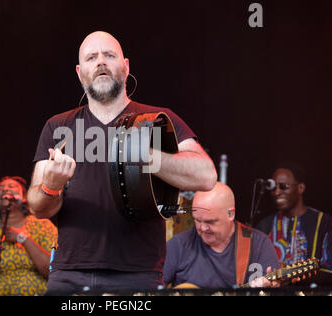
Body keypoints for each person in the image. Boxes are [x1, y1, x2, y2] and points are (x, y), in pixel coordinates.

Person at [27, 31, 217, 293]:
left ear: (126, 66)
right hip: (69, 274)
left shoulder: (157, 120)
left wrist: (147, 156)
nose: (101, 62)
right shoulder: (58, 126)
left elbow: (206, 176)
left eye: (109, 55)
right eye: (92, 57)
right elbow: (37, 208)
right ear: (80, 72)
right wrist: (52, 185)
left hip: (137, 276)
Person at [164, 182, 280, 288]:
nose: (203, 228)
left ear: (230, 214)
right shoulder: (179, 245)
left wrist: (270, 289)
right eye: (198, 220)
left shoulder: (259, 245)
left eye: (210, 222)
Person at [0, 176, 57, 296]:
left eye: (11, 187)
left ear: (24, 197)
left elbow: (53, 271)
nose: (5, 190)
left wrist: (23, 239)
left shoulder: (43, 226)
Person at [256, 163, 332, 283]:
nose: (276, 192)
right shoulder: (265, 225)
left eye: (283, 186)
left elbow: (329, 270)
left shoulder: (323, 222)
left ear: (300, 187)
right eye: (274, 187)